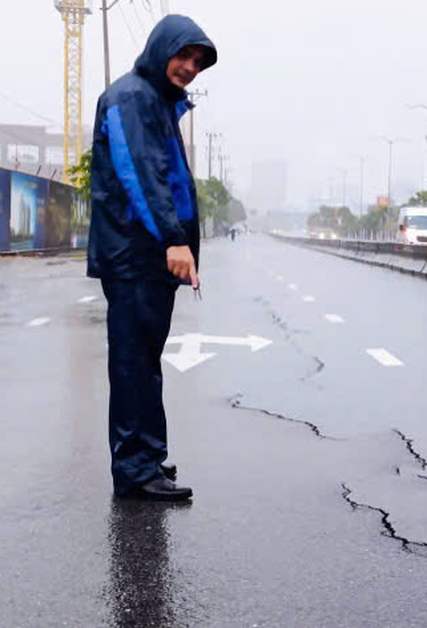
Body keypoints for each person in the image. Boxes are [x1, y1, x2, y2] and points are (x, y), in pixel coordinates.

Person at [87, 15, 217, 501]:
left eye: (198, 62)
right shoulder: (132, 98)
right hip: (134, 253)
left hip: (149, 256)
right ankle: (135, 470)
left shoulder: (156, 103)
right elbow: (140, 175)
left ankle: (146, 455)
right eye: (183, 55)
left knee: (145, 360)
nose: (189, 67)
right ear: (160, 50)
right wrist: (172, 239)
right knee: (132, 362)